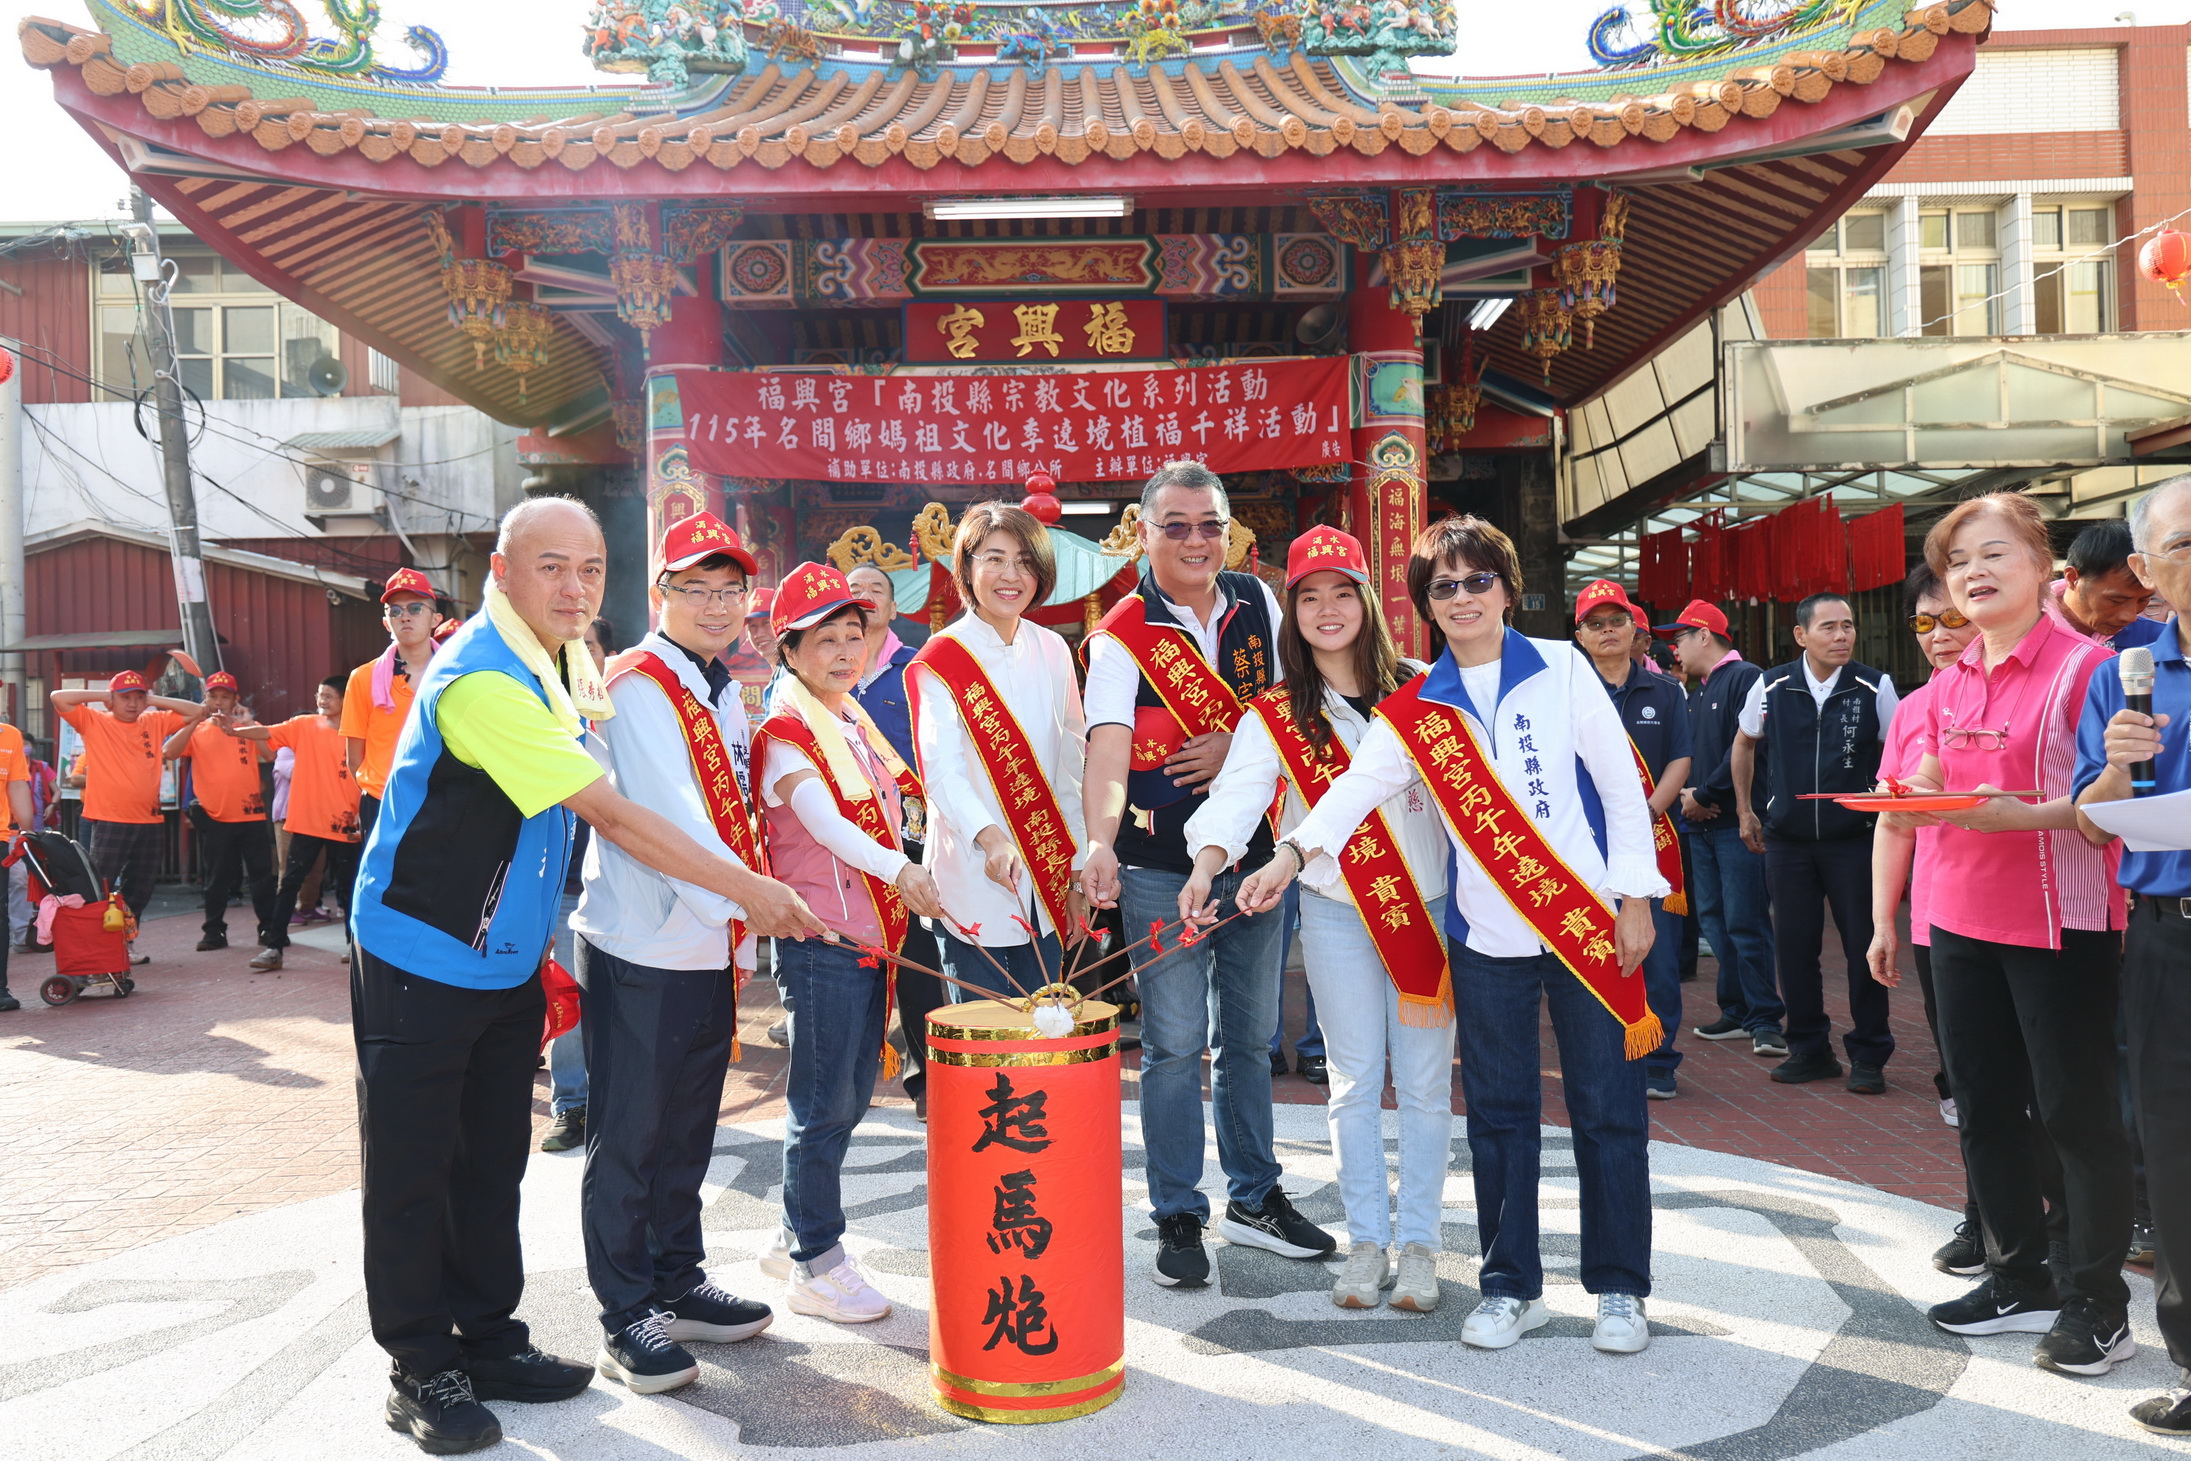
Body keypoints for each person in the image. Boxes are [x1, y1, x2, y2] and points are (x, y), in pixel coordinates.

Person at [348, 497, 823, 1455]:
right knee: (413, 1168)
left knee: (492, 1159)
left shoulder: (563, 656)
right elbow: (610, 812)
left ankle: (486, 1339)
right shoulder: (483, 679)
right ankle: (418, 1365)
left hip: (507, 957)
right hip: (419, 952)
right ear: (501, 569)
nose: (574, 587)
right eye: (552, 567)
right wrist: (747, 891)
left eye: (590, 569)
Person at [1238, 515, 1664, 1355]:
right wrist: (1288, 852)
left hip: (1586, 924)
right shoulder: (1414, 706)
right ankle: (1511, 1286)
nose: (1463, 597)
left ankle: (1618, 1289)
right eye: (1444, 586)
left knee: (1606, 1108)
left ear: (1506, 588)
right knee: (1501, 1115)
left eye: (1478, 581)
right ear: (1424, 607)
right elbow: (1354, 790)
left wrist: (1636, 897)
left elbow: (1620, 789)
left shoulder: (1563, 668)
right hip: (1489, 935)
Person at [1180, 525, 1450, 1310]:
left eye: (1340, 591)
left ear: (1366, 599)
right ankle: (1367, 1242)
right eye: (1307, 596)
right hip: (1335, 914)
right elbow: (1235, 799)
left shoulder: (1425, 687)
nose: (1326, 609)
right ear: (1290, 611)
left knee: (1428, 1086)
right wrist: (1206, 863)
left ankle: (1423, 1245)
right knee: (1352, 1082)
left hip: (1422, 910)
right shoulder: (1276, 713)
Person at [1896, 491, 2133, 1378]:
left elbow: (2112, 807)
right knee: (1984, 1107)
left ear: (2044, 567)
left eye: (1995, 553)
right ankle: (2013, 1274)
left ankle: (2095, 1303)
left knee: (2073, 1114)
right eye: (1959, 562)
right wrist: (1907, 797)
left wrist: (2017, 816)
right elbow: (1928, 775)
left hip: (2055, 920)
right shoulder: (1951, 676)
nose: (1975, 573)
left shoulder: (2088, 668)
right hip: (1954, 914)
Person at [1081, 461, 1332, 1288]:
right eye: (1175, 525)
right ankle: (1177, 1211)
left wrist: (1235, 742)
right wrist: (1099, 839)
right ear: (1141, 532)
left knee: (1250, 1042)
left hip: (1257, 857)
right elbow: (1108, 745)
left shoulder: (1261, 602)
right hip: (1157, 866)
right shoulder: (1122, 630)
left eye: (1209, 524)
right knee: (1172, 1044)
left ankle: (1255, 1197)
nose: (1195, 540)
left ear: (1230, 530)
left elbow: (1300, 701)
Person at [571, 512, 778, 1394]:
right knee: (631, 1132)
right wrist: (754, 904)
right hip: (643, 941)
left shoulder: (719, 685)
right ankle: (627, 1310)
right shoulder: (643, 683)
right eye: (695, 588)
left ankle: (677, 1277)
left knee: (689, 1123)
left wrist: (741, 913)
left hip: (705, 939)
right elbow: (668, 819)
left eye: (730, 590)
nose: (716, 604)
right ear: (661, 594)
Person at [749, 562, 943, 1323]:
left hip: (868, 939)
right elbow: (825, 823)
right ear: (788, 650)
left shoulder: (852, 722)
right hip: (821, 941)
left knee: (846, 1097)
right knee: (822, 1104)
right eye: (822, 639)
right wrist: (905, 869)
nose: (841, 651)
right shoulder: (788, 731)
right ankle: (817, 1263)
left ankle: (791, 1230)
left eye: (852, 634)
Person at [1868, 563, 2069, 1280]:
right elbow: (1894, 820)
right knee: (1971, 1084)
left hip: (2034, 915)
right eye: (1923, 622)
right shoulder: (1922, 705)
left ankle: (2061, 1228)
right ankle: (1986, 1218)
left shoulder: (2054, 679)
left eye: (1948, 617)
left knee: (2045, 1088)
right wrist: (1881, 921)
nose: (1939, 635)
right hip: (1939, 917)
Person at [2074, 473, 2191, 1434]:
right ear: (2147, 573)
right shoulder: (2125, 673)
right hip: (2168, 940)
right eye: (2185, 545)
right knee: (2176, 1146)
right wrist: (2116, 758)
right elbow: (2088, 817)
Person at [908, 501, 1088, 1004]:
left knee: (1045, 1037)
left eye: (1025, 561)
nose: (1011, 575)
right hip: (972, 872)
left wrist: (1074, 869)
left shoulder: (1053, 649)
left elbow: (1071, 766)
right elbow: (941, 771)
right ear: (966, 567)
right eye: (994, 558)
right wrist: (991, 838)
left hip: (1048, 877)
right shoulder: (941, 659)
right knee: (986, 1050)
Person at [1730, 593, 1899, 1092]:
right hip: (1789, 842)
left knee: (1862, 948)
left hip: (1855, 841)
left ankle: (1870, 1054)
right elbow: (1744, 743)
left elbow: (1898, 754)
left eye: (1848, 626)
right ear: (1801, 635)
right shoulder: (1771, 684)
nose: (1842, 636)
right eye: (1829, 627)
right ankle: (1808, 1049)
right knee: (1794, 947)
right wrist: (1745, 810)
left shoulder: (1875, 686)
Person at [1575, 580, 1693, 1099]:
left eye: (1616, 621)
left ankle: (1659, 1059)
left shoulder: (1666, 691)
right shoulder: (1566, 692)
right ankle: (1600, 1051)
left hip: (1654, 839)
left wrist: (1643, 813)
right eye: (1595, 624)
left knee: (1659, 953)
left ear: (1635, 629)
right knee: (1591, 948)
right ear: (1579, 634)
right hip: (1582, 845)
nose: (1607, 632)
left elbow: (1680, 760)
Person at [846, 561, 947, 1119]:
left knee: (916, 962)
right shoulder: (819, 674)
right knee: (846, 958)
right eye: (852, 589)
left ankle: (926, 1080)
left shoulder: (915, 669)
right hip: (837, 841)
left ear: (892, 607)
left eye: (875, 590)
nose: (863, 597)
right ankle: (845, 1076)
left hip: (908, 840)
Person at [1661, 602, 1784, 1056]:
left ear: (1704, 636)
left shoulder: (1746, 677)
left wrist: (1704, 796)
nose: (1674, 648)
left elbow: (1746, 748)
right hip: (1703, 824)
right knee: (1714, 920)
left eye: (1680, 638)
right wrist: (1692, 798)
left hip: (1736, 823)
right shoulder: (1697, 690)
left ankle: (1765, 1017)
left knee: (1745, 920)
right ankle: (1735, 1010)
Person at [51, 670, 207, 962]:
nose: (133, 704)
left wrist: (151, 699)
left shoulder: (154, 720)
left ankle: (123, 941)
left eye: (138, 697)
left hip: (149, 820)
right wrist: (106, 698)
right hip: (110, 819)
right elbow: (58, 697)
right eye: (125, 698)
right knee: (101, 884)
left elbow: (197, 710)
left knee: (142, 886)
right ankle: (94, 946)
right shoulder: (94, 721)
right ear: (112, 700)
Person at [223, 676, 361, 971]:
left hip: (347, 822)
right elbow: (266, 732)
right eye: (320, 694)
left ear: (345, 700)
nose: (322, 701)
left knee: (350, 887)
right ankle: (275, 946)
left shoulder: (360, 731)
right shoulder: (304, 725)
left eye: (329, 696)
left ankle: (354, 944)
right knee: (289, 884)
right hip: (308, 821)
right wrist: (234, 730)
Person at [541, 614, 615, 1156]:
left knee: (621, 1002)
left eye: (586, 646)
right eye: (567, 647)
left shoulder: (628, 710)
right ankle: (572, 1104)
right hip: (561, 884)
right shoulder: (538, 710)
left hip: (624, 882)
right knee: (567, 995)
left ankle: (623, 1101)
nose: (577, 656)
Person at [163, 671, 277, 956]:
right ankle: (214, 931)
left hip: (250, 813)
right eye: (213, 696)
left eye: (225, 697)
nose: (218, 702)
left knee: (262, 876)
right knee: (216, 877)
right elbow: (169, 752)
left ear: (234, 700)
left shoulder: (247, 726)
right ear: (205, 698)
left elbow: (270, 754)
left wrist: (248, 723)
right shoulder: (198, 730)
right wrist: (193, 722)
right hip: (215, 815)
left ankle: (268, 929)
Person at [343, 569, 444, 852]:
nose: (405, 617)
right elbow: (354, 759)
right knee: (383, 889)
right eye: (395, 611)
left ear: (435, 619)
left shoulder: (454, 677)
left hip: (440, 799)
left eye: (415, 608)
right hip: (381, 801)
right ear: (386, 622)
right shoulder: (363, 678)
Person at [2051, 517, 2163, 651]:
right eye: (2116, 601)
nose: (2131, 617)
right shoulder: (2025, 632)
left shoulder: (2162, 642)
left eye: (2143, 600)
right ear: (2072, 578)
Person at [0, 713, 34, 1011]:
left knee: (0, 913)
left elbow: (17, 786)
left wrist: (28, 830)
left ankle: (0, 990)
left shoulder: (10, 736)